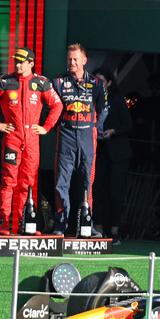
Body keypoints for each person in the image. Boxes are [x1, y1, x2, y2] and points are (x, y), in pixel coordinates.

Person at [0, 47, 62, 234]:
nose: (17, 64)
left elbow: (57, 105)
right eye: (15, 60)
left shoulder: (42, 83)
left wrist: (46, 127)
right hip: (12, 139)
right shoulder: (5, 81)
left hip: (32, 140)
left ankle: (26, 223)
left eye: (21, 61)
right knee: (8, 181)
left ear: (31, 63)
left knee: (28, 182)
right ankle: (4, 222)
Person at [52, 44, 106, 236]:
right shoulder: (58, 82)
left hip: (87, 138)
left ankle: (86, 225)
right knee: (61, 183)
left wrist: (95, 128)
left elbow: (104, 109)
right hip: (65, 136)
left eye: (75, 59)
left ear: (84, 61)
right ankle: (60, 225)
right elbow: (51, 108)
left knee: (87, 182)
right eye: (69, 59)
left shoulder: (96, 84)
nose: (72, 62)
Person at [92, 73, 132, 245]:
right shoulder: (90, 98)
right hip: (98, 149)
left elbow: (129, 125)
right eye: (95, 81)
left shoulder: (117, 99)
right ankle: (98, 228)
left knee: (114, 192)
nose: (98, 84)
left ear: (109, 82)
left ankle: (115, 231)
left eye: (101, 81)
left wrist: (113, 131)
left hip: (117, 152)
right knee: (95, 190)